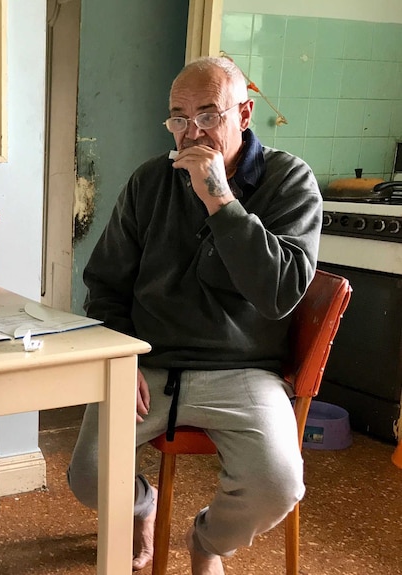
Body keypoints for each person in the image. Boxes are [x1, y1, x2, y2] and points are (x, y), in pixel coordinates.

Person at [67, 56, 323, 574]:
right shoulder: (149, 182)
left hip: (243, 368)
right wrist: (124, 356)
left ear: (245, 114)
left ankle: (208, 541)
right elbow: (106, 283)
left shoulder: (289, 181)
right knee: (88, 477)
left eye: (209, 115)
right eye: (178, 118)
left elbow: (278, 294)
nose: (191, 133)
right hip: (149, 362)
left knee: (277, 484)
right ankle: (145, 506)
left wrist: (220, 199)